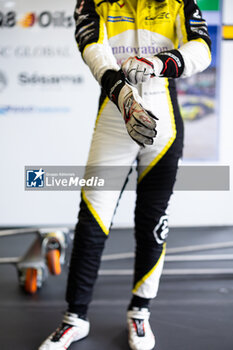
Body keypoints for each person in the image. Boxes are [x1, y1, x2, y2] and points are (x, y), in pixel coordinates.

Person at [39, 0, 211, 349]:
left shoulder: (179, 1)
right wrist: (123, 94)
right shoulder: (92, 2)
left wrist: (159, 62)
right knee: (92, 220)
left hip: (164, 122)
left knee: (153, 221)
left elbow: (202, 49)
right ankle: (75, 317)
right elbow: (93, 50)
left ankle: (140, 313)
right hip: (115, 116)